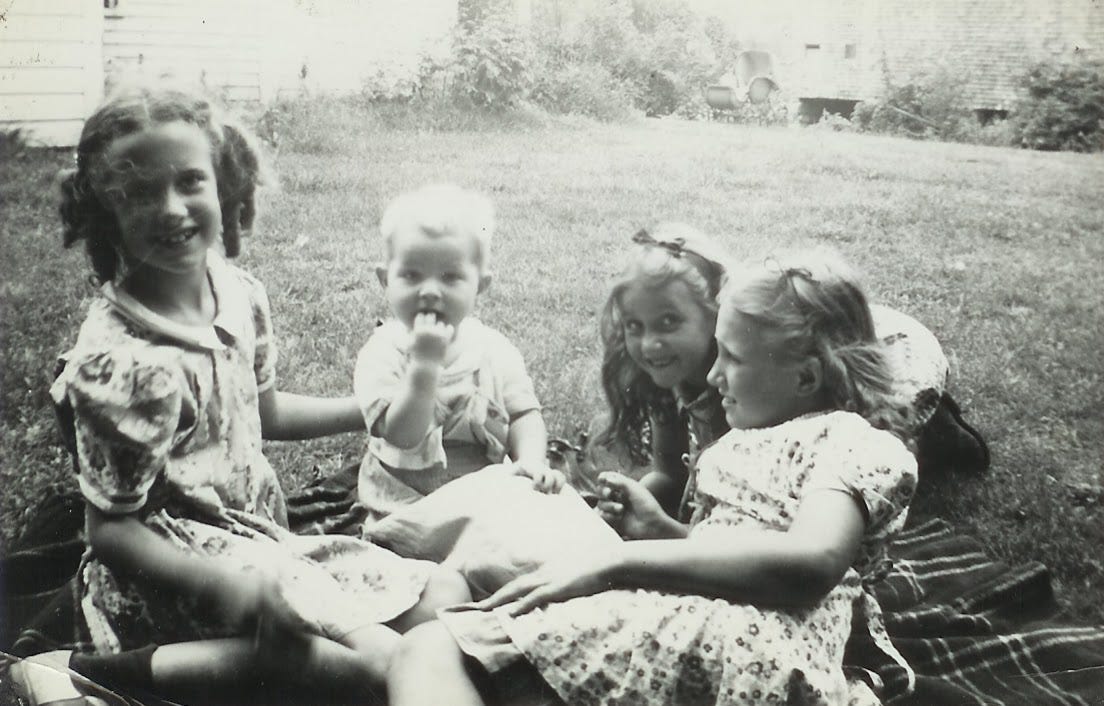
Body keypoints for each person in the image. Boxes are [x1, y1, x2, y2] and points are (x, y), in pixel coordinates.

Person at [24, 84, 469, 706]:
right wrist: (224, 587)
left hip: (256, 539)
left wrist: (374, 411)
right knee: (378, 669)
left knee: (446, 598)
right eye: (141, 192)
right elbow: (113, 531)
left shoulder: (238, 294)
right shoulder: (121, 363)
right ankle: (98, 674)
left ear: (225, 185)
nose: (172, 208)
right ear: (105, 212)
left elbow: (265, 413)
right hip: (175, 571)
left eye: (189, 181)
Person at [388, 250, 919, 706]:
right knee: (479, 601)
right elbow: (742, 555)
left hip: (736, 649)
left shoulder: (850, 441)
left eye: (731, 359)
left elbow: (811, 563)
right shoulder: (750, 443)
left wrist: (616, 561)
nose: (713, 375)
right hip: (706, 640)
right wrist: (663, 531)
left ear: (806, 376)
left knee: (427, 652)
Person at [354, 184, 563, 529]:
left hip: (482, 506)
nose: (431, 291)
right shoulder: (382, 352)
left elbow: (525, 413)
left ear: (480, 284)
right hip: (403, 508)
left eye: (451, 277)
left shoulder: (494, 350)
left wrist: (530, 461)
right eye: (411, 274)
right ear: (385, 279)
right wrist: (423, 367)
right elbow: (401, 435)